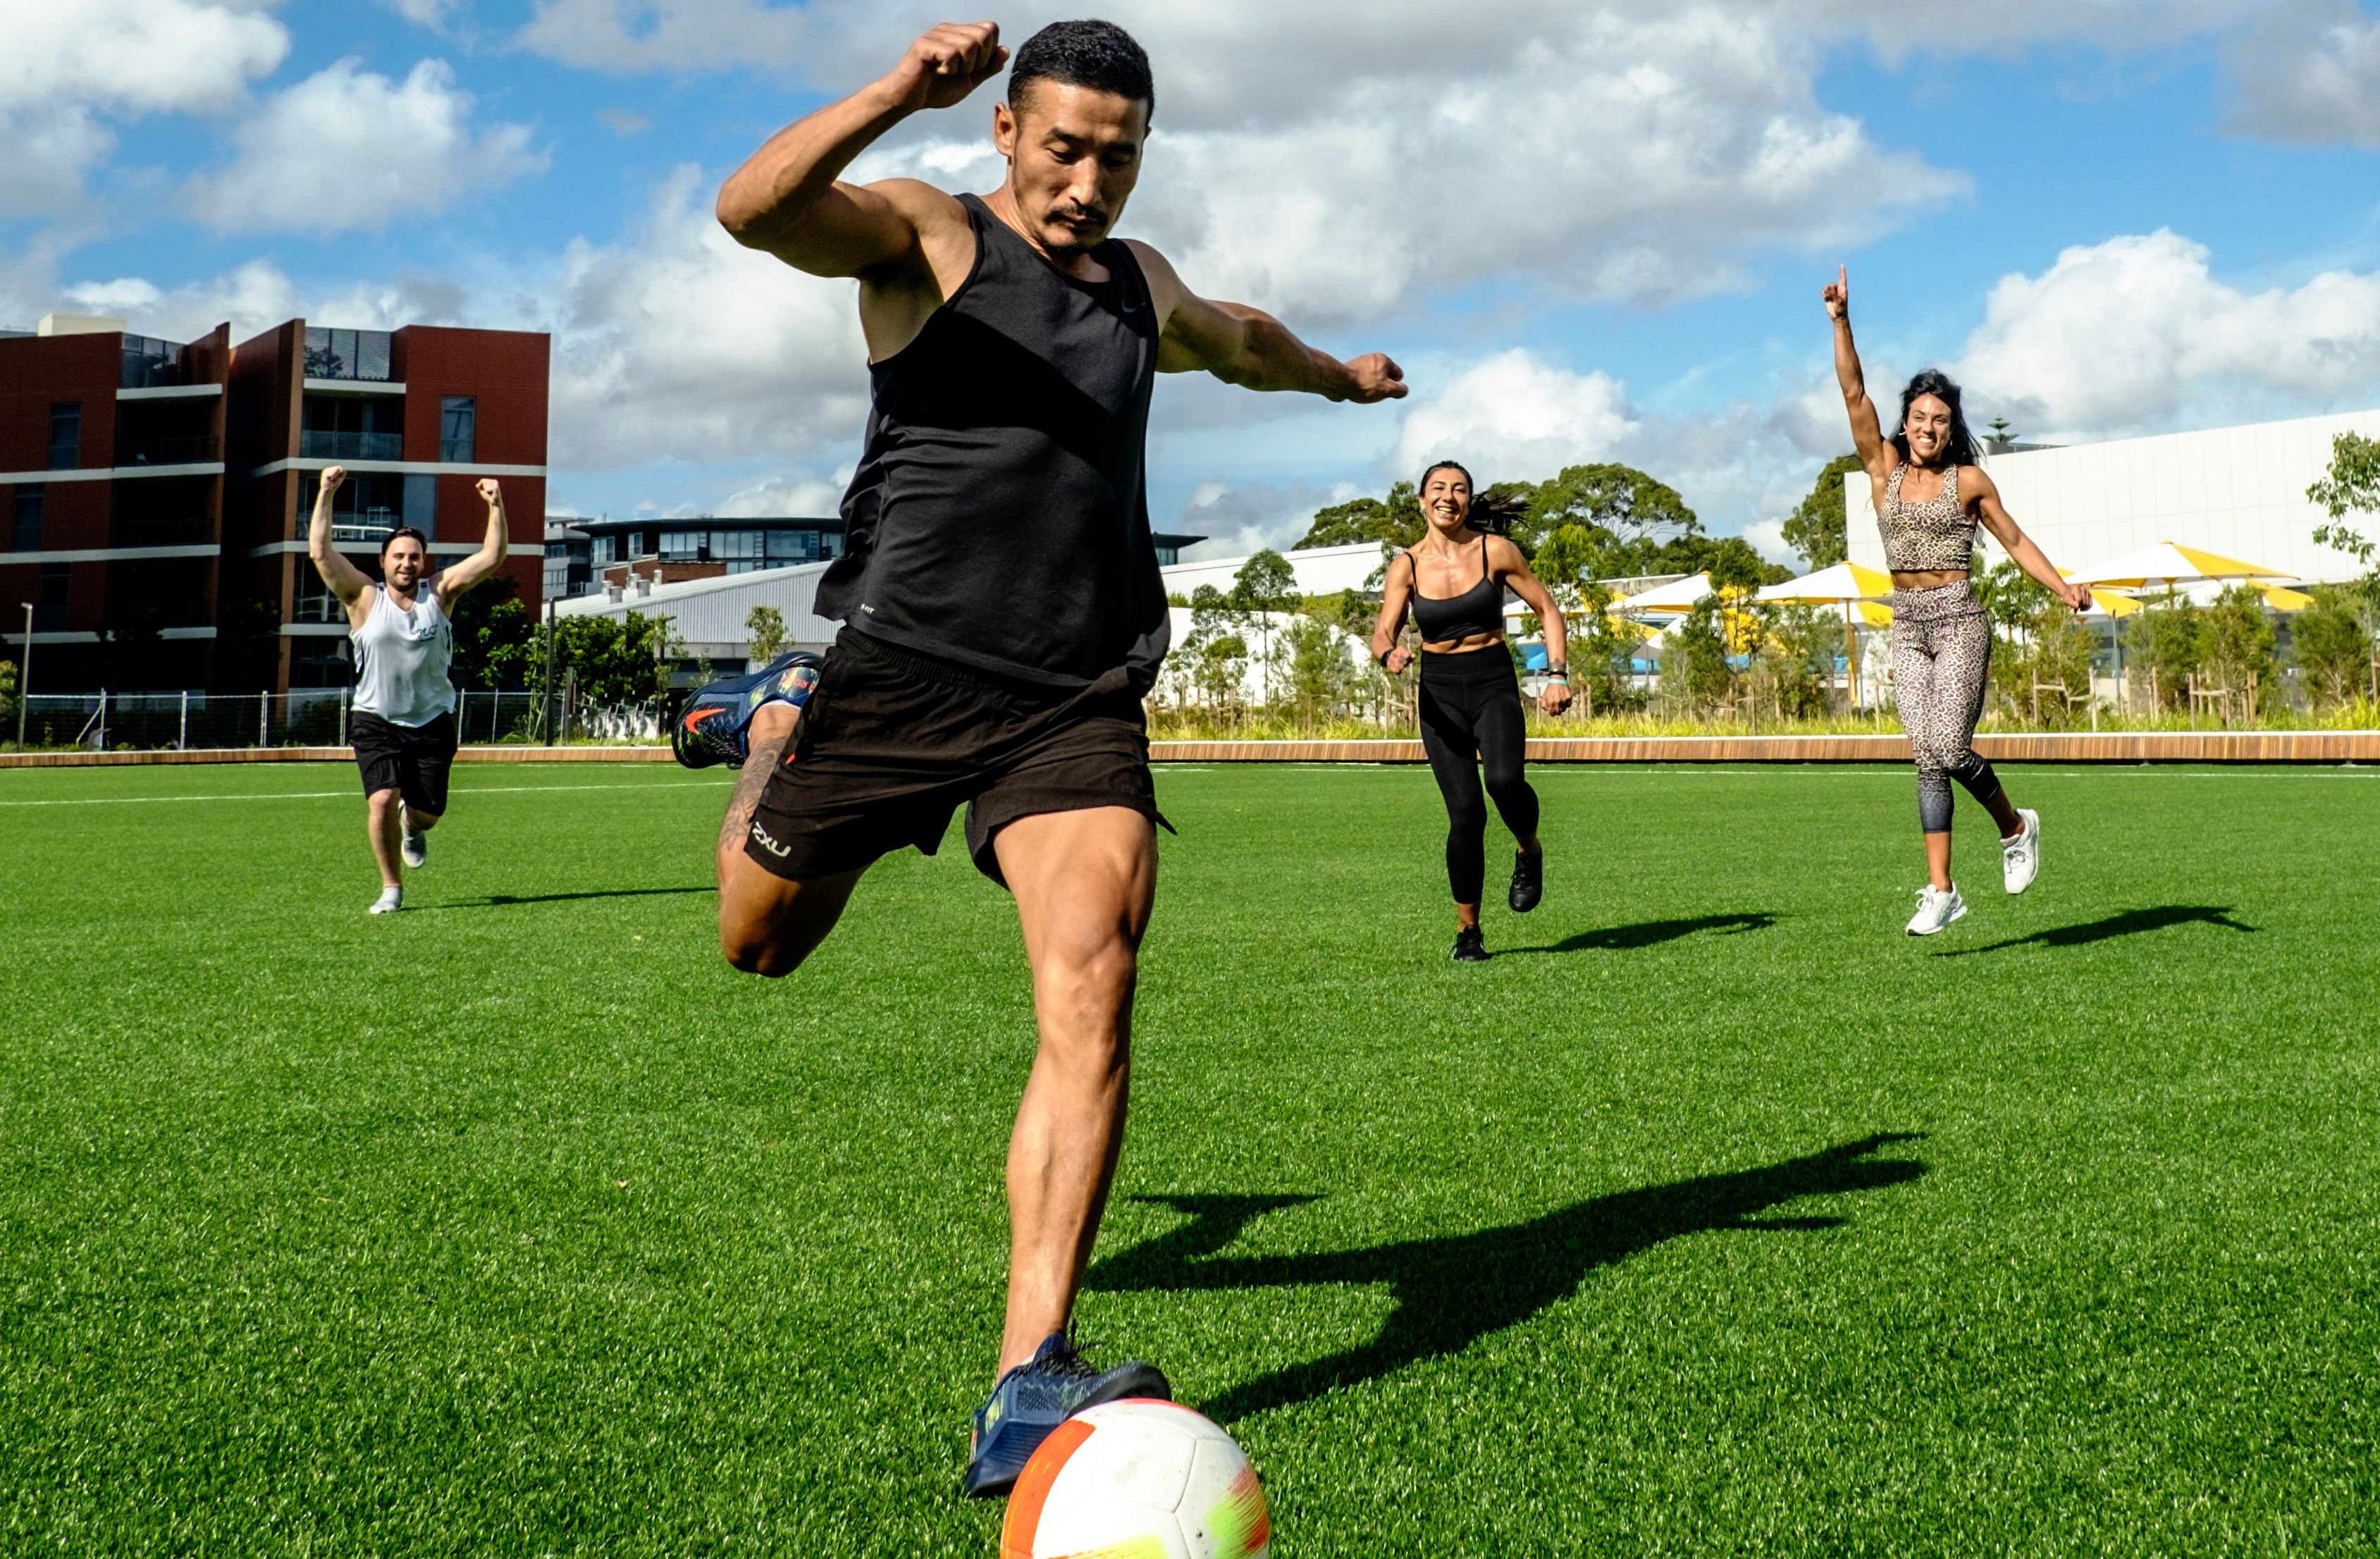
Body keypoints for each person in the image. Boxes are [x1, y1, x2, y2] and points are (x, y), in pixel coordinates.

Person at [708, 18, 1406, 1496]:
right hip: (898, 671)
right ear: (1007, 132)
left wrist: (1342, 382)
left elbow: (1242, 338)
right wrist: (900, 88)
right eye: (1067, 147)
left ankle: (1028, 1371)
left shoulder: (1138, 284)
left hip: (1069, 692)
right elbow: (753, 209)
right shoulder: (930, 237)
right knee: (755, 944)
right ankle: (773, 726)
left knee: (1094, 966)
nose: (1091, 181)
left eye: (1121, 157)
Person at [1823, 265, 2091, 935]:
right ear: (1905, 423)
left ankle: (2014, 826)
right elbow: (1853, 391)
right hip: (1905, 622)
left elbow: (2015, 539)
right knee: (1925, 757)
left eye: (1939, 421)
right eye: (1917, 417)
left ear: (1951, 427)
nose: (1927, 428)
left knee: (1946, 745)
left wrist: (2061, 588)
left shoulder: (1969, 481)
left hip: (1959, 617)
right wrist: (1841, 323)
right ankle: (1941, 889)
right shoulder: (1882, 470)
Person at [1370, 462, 1571, 961]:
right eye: (1438, 488)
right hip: (1438, 692)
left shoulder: (1494, 550)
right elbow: (1382, 632)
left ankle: (1529, 848)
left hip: (1492, 681)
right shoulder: (1407, 565)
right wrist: (1389, 654)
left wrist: (1557, 674)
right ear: (1420, 501)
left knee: (1504, 781)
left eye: (1459, 489)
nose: (1448, 496)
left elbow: (1547, 609)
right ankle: (1468, 933)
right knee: (1465, 814)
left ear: (1468, 501)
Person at [306, 467, 510, 914]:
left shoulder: (441, 595)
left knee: (427, 814)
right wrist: (325, 492)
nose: (406, 563)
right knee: (381, 799)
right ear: (383, 562)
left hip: (432, 720)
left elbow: (493, 556)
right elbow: (321, 553)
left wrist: (496, 505)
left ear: (424, 562)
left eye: (414, 557)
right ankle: (391, 889)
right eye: (398, 556)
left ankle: (412, 826)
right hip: (375, 718)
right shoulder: (362, 598)